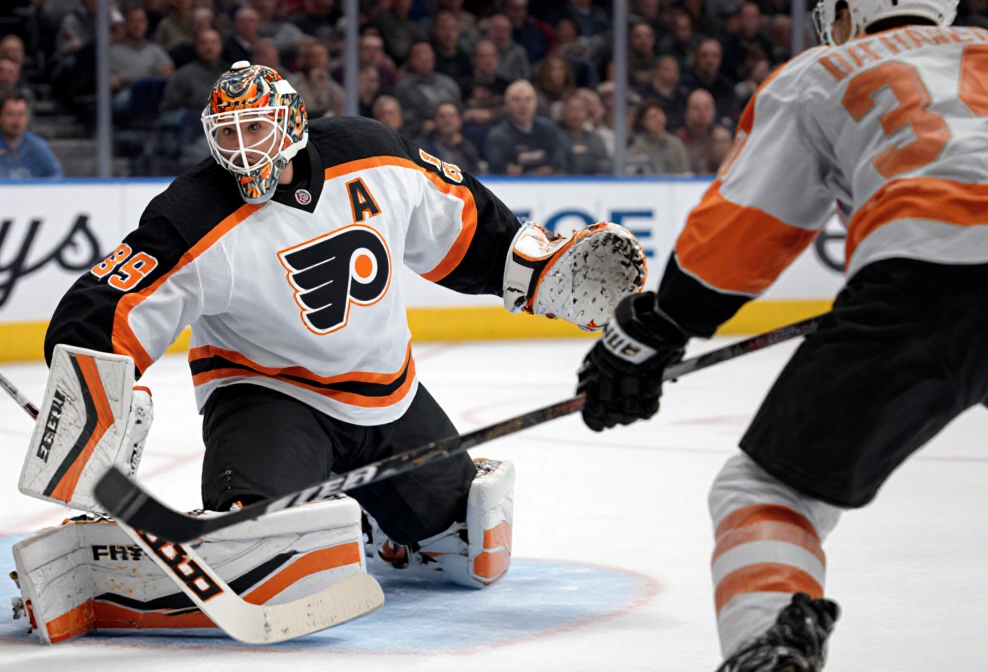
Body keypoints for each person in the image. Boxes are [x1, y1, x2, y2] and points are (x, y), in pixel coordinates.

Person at [41, 63, 645, 611]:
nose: (243, 149)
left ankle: (374, 523)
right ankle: (251, 517)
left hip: (388, 397)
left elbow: (461, 224)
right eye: (228, 134)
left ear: (292, 123)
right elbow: (109, 301)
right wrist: (93, 381)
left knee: (470, 547)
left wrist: (533, 270)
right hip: (269, 397)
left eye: (256, 129)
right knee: (256, 551)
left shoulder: (371, 153)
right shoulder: (193, 213)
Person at [574, 1, 988, 669]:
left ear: (847, 13)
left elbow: (741, 232)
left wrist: (661, 326)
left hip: (923, 279)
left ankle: (768, 642)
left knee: (765, 493)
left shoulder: (822, 71)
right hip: (925, 277)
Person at [483, 80, 568, 175]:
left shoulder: (549, 129)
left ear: (536, 103)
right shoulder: (498, 136)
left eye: (528, 99)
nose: (523, 105)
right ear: (507, 104)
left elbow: (560, 162)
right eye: (516, 100)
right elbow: (498, 170)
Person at [394, 41, 461, 138]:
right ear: (411, 60)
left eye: (428, 53)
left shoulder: (448, 83)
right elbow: (404, 118)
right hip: (420, 134)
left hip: (451, 129)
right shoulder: (403, 87)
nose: (425, 58)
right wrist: (423, 125)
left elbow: (460, 109)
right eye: (419, 54)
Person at [0, 95, 64, 179]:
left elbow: (56, 176)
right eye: (10, 114)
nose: (16, 120)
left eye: (21, 114)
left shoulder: (38, 146)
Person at [160, 28, 225, 114]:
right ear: (196, 47)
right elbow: (168, 111)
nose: (209, 47)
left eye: (213, 42)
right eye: (203, 43)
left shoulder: (233, 74)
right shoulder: (182, 76)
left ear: (221, 46)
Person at [416, 100, 486, 174]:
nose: (447, 121)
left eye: (452, 116)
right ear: (434, 121)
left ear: (460, 120)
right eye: (442, 116)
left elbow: (476, 174)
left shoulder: (468, 147)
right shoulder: (421, 148)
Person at [626, 97, 690, 175]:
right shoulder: (638, 146)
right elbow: (630, 171)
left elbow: (685, 172)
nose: (659, 119)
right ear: (643, 122)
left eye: (660, 114)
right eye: (653, 116)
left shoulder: (675, 144)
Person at [559, 91, 610, 175]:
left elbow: (605, 165)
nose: (575, 114)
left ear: (586, 114)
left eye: (579, 110)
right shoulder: (556, 138)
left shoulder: (595, 139)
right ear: (563, 113)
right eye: (570, 109)